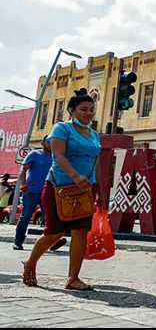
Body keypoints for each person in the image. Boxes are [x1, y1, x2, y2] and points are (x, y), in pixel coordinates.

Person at [22, 89, 105, 290]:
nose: (88, 113)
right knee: (54, 233)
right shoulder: (61, 129)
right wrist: (75, 176)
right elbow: (58, 156)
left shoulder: (94, 135)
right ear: (72, 110)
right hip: (58, 187)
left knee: (80, 232)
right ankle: (30, 264)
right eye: (83, 109)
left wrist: (101, 192)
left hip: (85, 189)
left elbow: (97, 164)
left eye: (91, 110)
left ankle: (73, 278)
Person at [13, 136, 67, 252]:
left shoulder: (56, 157)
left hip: (47, 192)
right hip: (31, 192)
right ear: (42, 143)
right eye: (48, 141)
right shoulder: (34, 154)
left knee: (49, 218)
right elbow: (23, 170)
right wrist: (23, 184)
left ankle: (52, 242)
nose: (50, 143)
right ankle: (18, 241)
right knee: (25, 217)